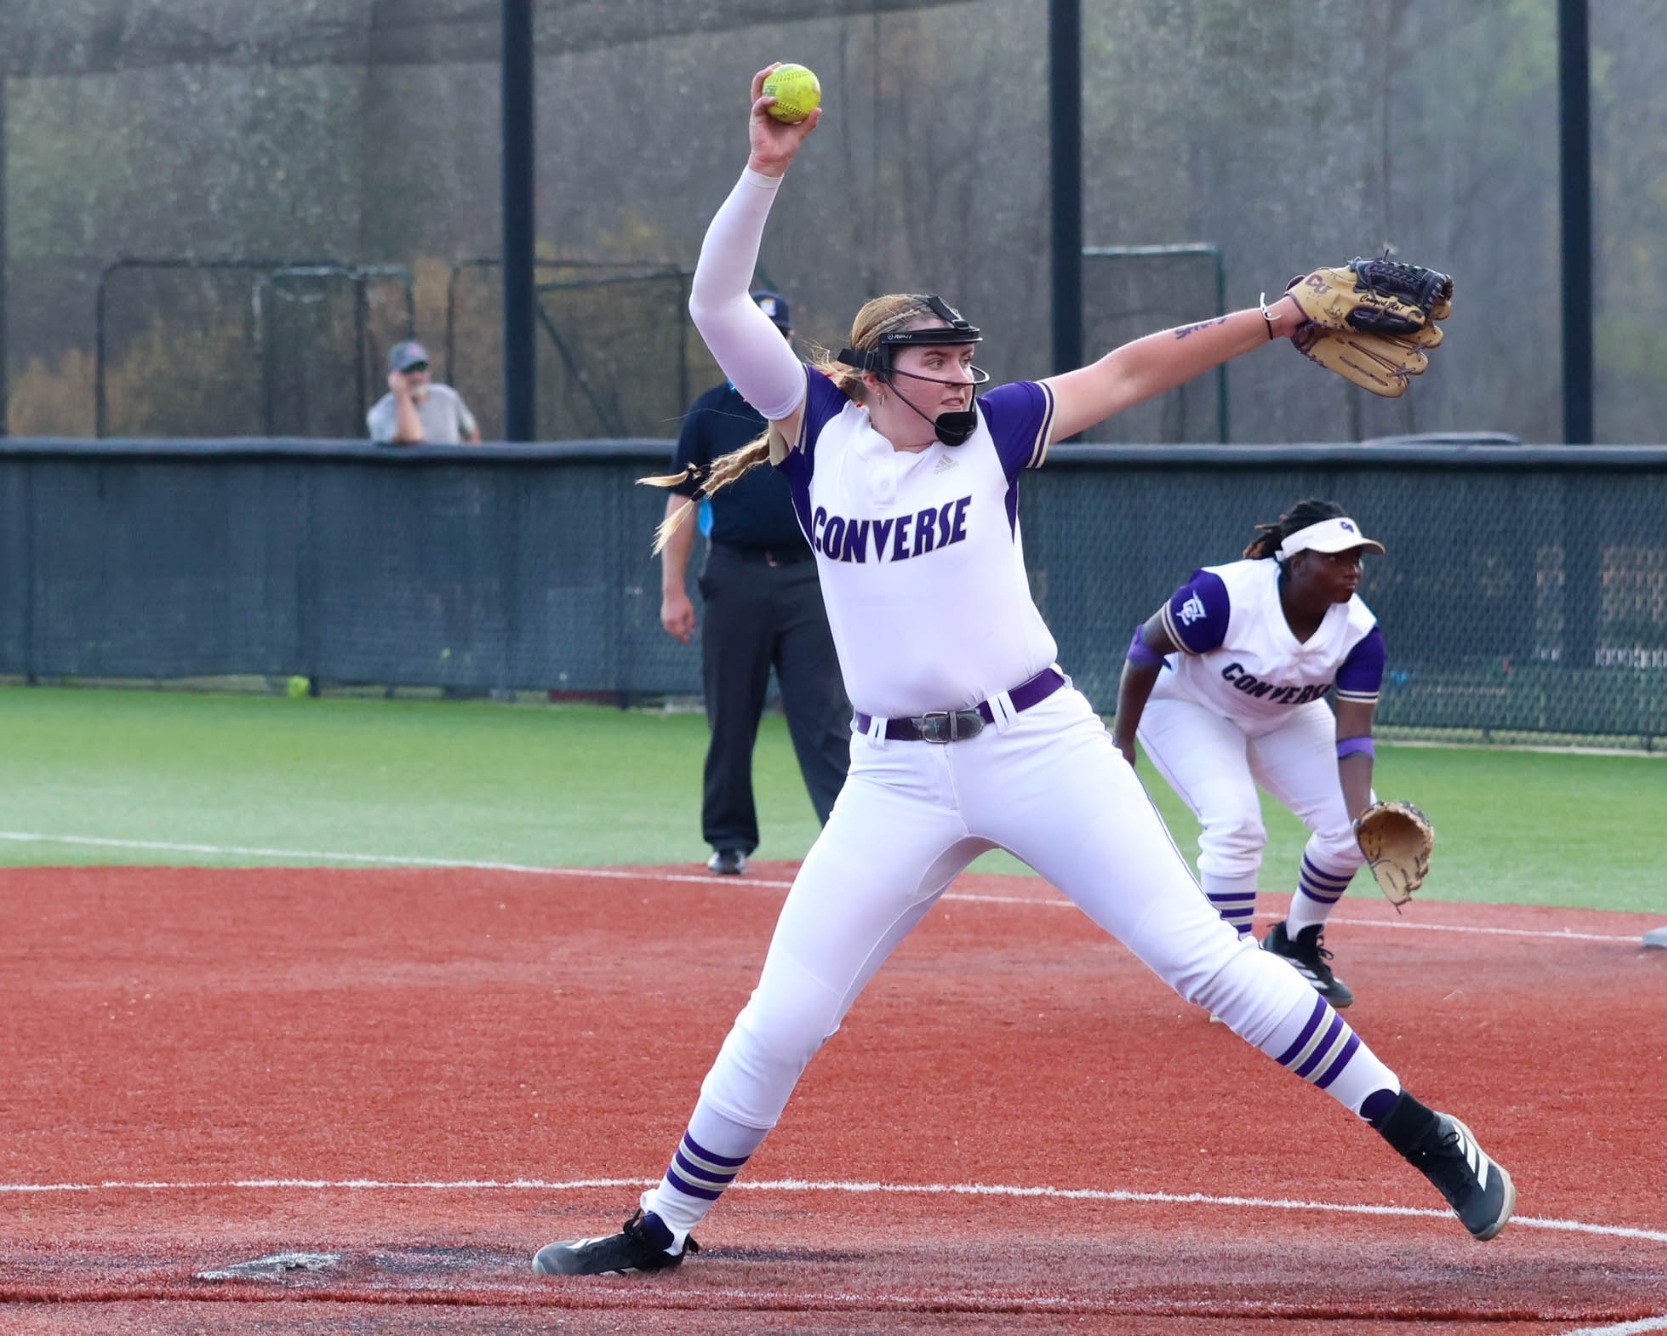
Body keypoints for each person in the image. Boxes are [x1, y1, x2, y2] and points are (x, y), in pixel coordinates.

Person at [532, 63, 1514, 1278]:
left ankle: (1424, 1133)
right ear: (874, 373)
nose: (961, 373)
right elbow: (716, 300)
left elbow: (1131, 368)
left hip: (1034, 742)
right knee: (787, 1009)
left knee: (1203, 962)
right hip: (894, 776)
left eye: (965, 356)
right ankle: (662, 1223)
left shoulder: (989, 435)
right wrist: (764, 170)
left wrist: (1272, 318)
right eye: (936, 360)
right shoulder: (816, 434)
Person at [1110, 499, 1391, 1010]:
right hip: (1187, 705)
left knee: (1351, 831)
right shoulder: (1227, 595)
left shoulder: (1358, 633)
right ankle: (1230, 974)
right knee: (1236, 824)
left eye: (1356, 557)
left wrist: (1362, 821)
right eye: (1335, 557)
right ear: (1297, 562)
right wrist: (1123, 740)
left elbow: (1354, 740)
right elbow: (1146, 647)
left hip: (1281, 716)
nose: (1352, 568)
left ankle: (1295, 944)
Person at [660, 289, 850, 875]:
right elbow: (682, 502)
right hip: (735, 575)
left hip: (808, 577)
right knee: (731, 715)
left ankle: (851, 839)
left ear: (786, 341)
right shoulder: (709, 411)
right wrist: (672, 590)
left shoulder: (821, 404)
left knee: (825, 717)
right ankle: (729, 840)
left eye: (772, 335)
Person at [366, 340, 481, 445]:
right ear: (395, 376)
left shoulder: (447, 397)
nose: (417, 376)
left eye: (421, 368)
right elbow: (411, 438)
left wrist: (470, 459)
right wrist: (402, 395)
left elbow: (471, 430)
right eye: (409, 370)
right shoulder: (380, 413)